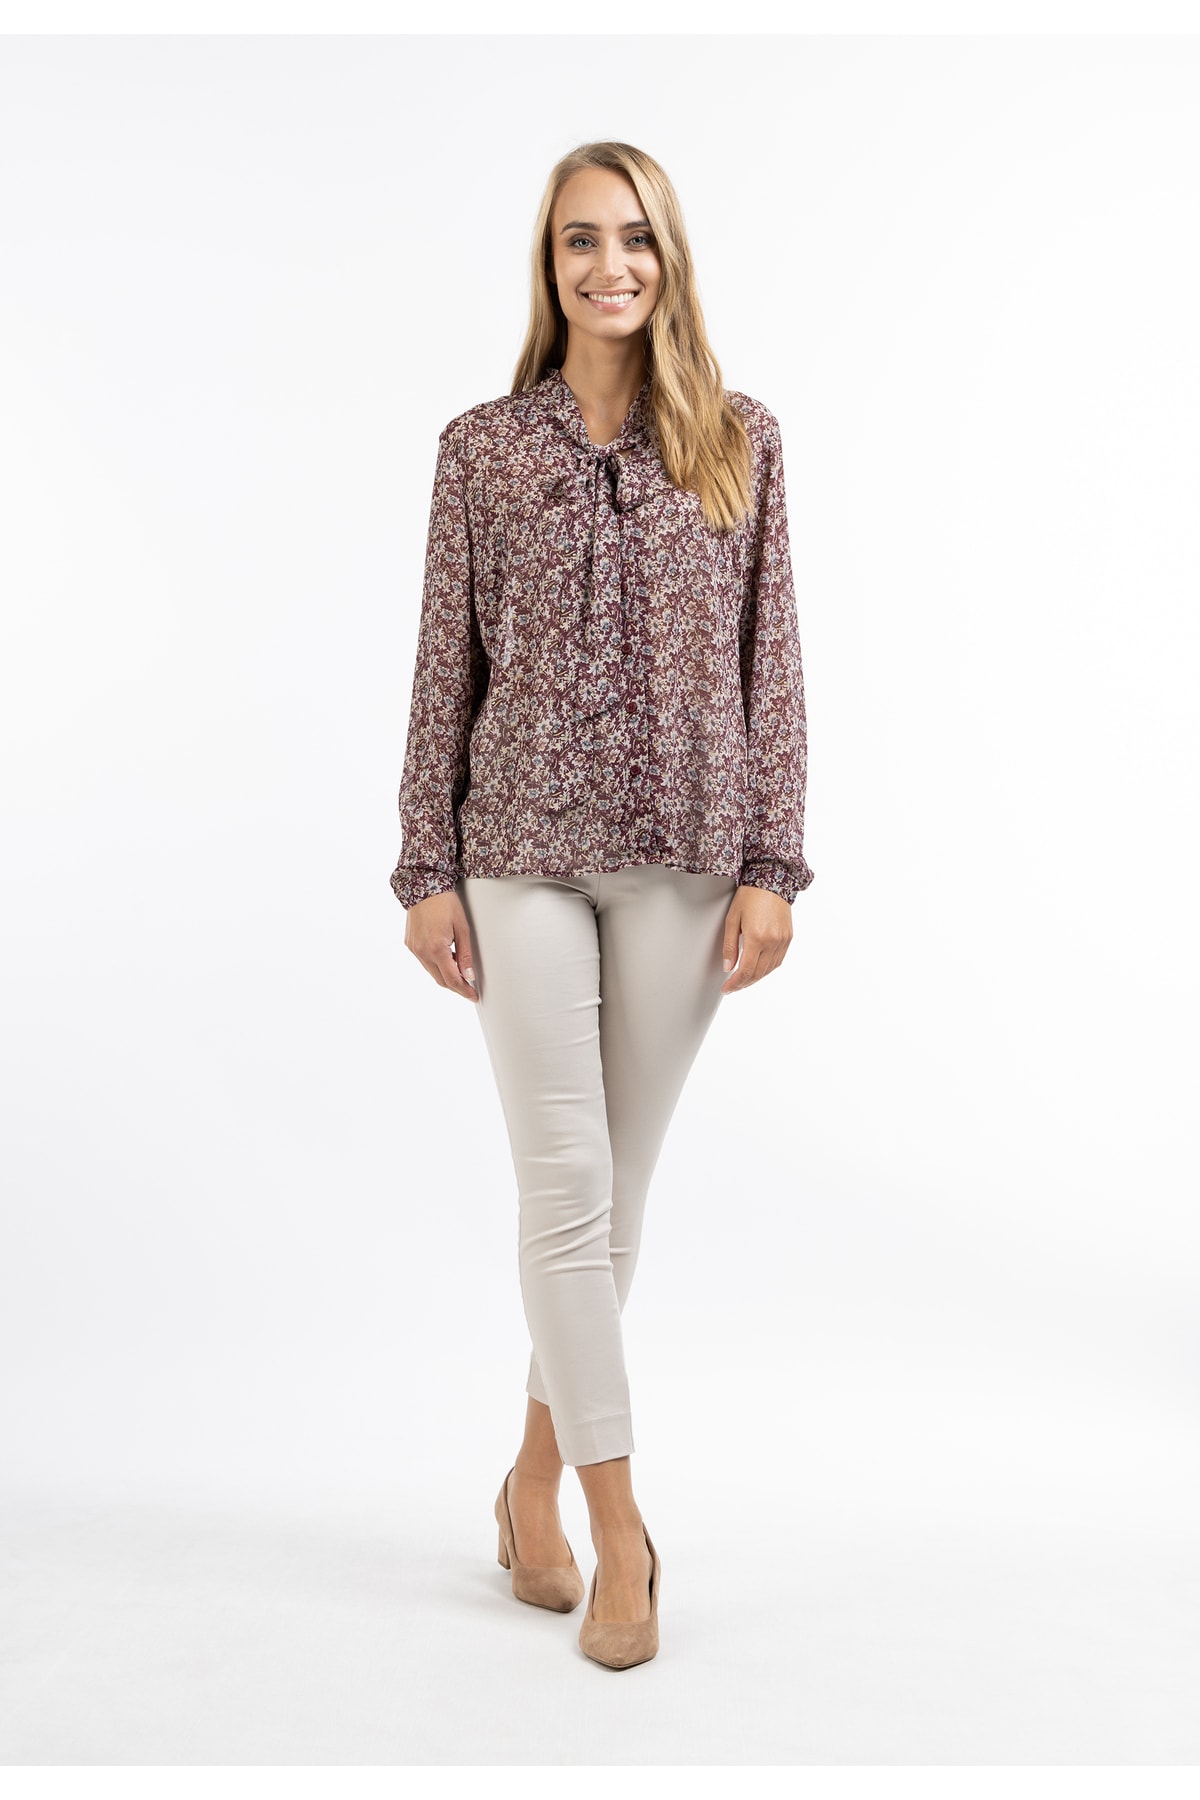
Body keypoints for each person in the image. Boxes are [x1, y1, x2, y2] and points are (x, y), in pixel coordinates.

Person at [388, 140, 815, 1670]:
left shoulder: (743, 440)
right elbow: (444, 665)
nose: (609, 265)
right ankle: (623, 1528)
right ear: (550, 263)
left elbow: (775, 663)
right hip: (517, 852)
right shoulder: (482, 448)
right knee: (566, 1187)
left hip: (691, 857)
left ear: (668, 257)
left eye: (634, 238)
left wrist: (773, 864)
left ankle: (529, 1483)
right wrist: (425, 866)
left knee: (612, 1202)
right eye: (581, 240)